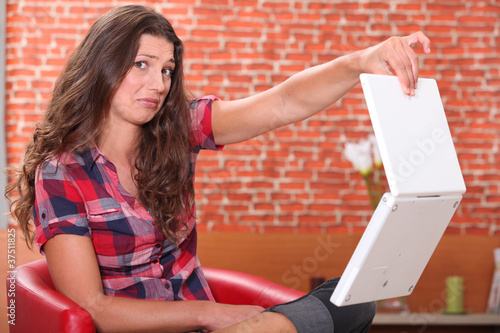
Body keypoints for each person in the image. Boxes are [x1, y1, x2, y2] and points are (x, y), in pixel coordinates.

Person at [6, 5, 431, 333]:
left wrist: (359, 62)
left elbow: (282, 103)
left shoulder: (178, 130)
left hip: (209, 325)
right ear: (102, 64)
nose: (158, 84)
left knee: (355, 299)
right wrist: (215, 314)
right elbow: (96, 310)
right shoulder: (61, 172)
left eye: (167, 70)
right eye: (142, 64)